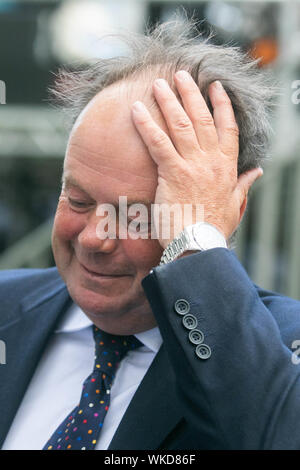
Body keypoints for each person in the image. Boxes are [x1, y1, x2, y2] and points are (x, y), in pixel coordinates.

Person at [1, 18, 300, 451]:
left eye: (135, 216)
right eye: (78, 201)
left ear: (228, 209)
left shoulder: (282, 350)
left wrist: (194, 245)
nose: (92, 239)